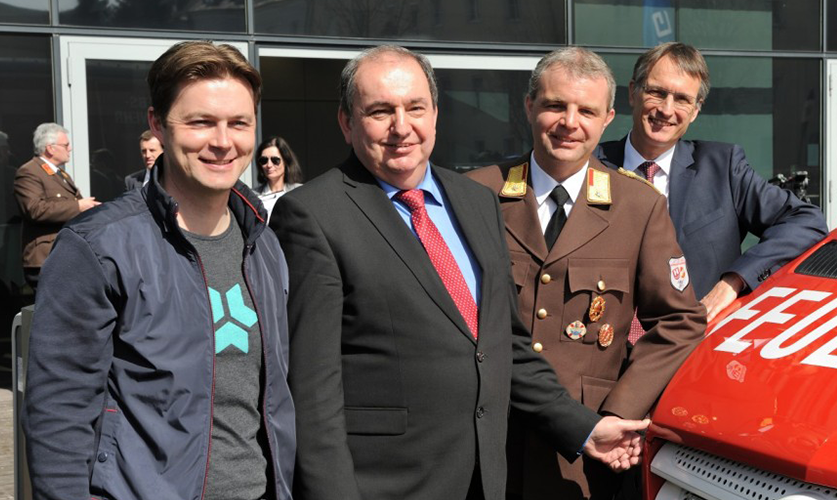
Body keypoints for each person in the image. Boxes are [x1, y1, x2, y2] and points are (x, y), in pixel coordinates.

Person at [269, 45, 649, 500]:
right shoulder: (312, 214)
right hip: (385, 485)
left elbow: (501, 345)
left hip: (484, 478)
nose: (401, 127)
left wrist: (585, 429)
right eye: (379, 112)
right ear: (347, 122)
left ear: (435, 114)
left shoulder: (474, 200)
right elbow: (312, 393)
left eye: (415, 108)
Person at [23, 41, 296, 500]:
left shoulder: (264, 244)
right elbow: (58, 413)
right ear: (157, 125)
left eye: (239, 123)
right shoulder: (98, 246)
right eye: (200, 122)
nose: (223, 141)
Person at [466, 47, 707, 500]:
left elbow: (680, 321)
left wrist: (617, 413)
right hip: (487, 436)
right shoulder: (476, 193)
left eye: (587, 111)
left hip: (583, 453)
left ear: (608, 118)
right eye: (556, 105)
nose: (569, 122)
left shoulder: (639, 207)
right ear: (529, 106)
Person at [596, 42, 827, 323]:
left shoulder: (723, 167)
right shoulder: (591, 165)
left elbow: (806, 221)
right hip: (605, 352)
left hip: (695, 348)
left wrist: (734, 281)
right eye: (657, 93)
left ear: (695, 110)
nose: (667, 110)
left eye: (682, 99)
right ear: (633, 92)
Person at [14, 122, 99, 288]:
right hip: (44, 259)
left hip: (63, 255)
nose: (70, 149)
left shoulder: (61, 174)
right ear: (50, 148)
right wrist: (78, 207)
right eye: (66, 145)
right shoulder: (29, 172)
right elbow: (34, 209)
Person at [255, 136, 303, 217]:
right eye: (264, 160)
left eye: (275, 160)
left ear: (286, 161)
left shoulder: (300, 191)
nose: (269, 165)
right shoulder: (253, 197)